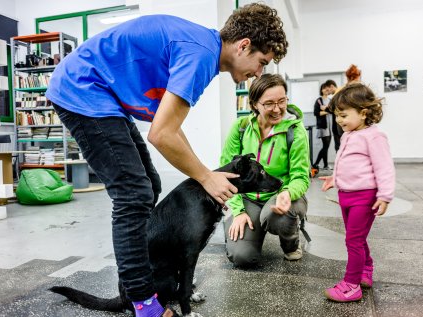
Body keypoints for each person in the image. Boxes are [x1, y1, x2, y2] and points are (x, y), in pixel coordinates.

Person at [45, 4, 288, 316]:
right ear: (243, 46)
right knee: (133, 195)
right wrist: (205, 176)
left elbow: (170, 128)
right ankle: (143, 302)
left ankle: (146, 277)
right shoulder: (201, 54)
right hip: (83, 89)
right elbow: (161, 134)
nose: (259, 73)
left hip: (102, 97)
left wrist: (206, 174)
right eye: (262, 62)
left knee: (150, 184)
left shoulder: (203, 50)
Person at [220, 74, 310, 267]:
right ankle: (237, 228)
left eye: (282, 101)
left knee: (278, 217)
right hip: (249, 198)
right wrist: (238, 211)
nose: (277, 109)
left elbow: (301, 177)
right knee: (243, 257)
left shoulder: (295, 131)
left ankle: (291, 243)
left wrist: (288, 192)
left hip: (282, 195)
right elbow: (227, 175)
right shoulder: (241, 128)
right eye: (269, 103)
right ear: (254, 104)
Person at [319, 82, 395, 302]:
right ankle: (366, 269)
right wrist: (335, 178)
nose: (339, 120)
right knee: (357, 238)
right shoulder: (348, 134)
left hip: (364, 197)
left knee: (353, 240)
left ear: (363, 113)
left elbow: (385, 167)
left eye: (343, 115)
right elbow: (347, 163)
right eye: (337, 116)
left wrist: (385, 195)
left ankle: (352, 285)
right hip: (346, 196)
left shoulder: (374, 137)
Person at [313, 82, 331, 170]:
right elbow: (316, 113)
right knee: (325, 146)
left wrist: (326, 109)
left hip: (330, 127)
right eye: (324, 88)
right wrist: (327, 111)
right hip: (323, 126)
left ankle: (325, 165)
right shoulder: (319, 100)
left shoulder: (330, 100)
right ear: (321, 90)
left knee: (326, 146)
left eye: (327, 88)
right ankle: (316, 163)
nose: (326, 90)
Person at [324, 79, 342, 152]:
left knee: (338, 148)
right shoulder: (339, 94)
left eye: (328, 90)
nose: (328, 92)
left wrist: (326, 108)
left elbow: (331, 109)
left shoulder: (337, 95)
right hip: (338, 127)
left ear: (332, 86)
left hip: (338, 127)